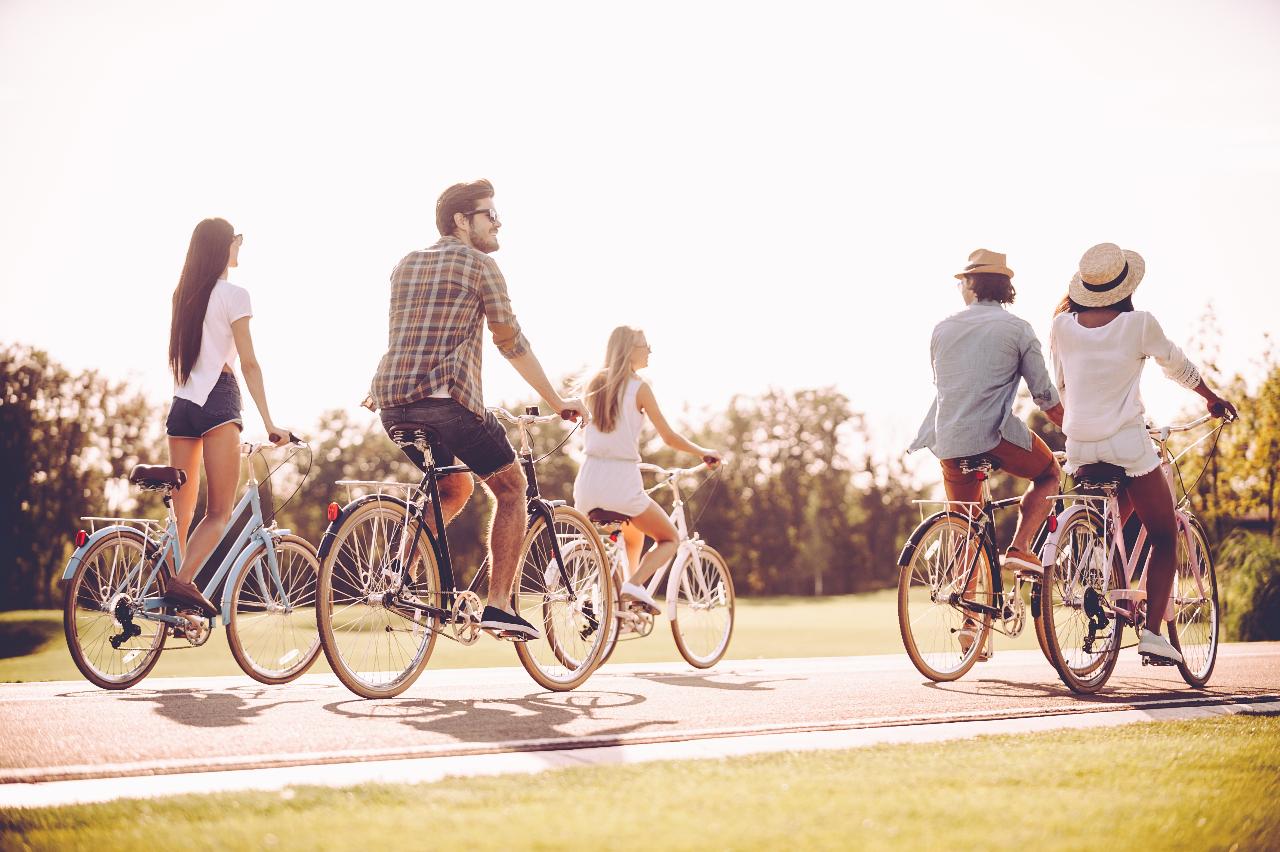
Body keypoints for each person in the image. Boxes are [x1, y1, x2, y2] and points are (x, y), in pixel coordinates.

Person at [369, 179, 587, 640]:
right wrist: (557, 401)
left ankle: (398, 571)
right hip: (447, 404)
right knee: (511, 488)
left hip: (392, 404)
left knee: (453, 487)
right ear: (461, 220)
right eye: (490, 213)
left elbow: (406, 336)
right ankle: (499, 606)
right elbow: (511, 343)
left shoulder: (404, 264)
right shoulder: (480, 265)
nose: (498, 221)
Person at [1049, 242, 1236, 664]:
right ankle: (1152, 633)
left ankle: (1100, 560)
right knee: (1165, 532)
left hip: (1078, 442)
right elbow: (1176, 364)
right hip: (1126, 441)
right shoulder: (1139, 324)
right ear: (1125, 285)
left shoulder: (1062, 326)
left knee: (1123, 500)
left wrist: (1083, 421)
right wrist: (1209, 397)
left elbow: (1062, 384)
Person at [910, 249, 1066, 658]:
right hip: (994, 436)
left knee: (966, 530)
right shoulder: (1017, 328)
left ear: (975, 284)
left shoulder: (942, 329)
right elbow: (1045, 396)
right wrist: (1078, 429)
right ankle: (1020, 548)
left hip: (948, 439)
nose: (960, 286)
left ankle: (970, 629)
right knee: (1050, 473)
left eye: (963, 279)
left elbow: (947, 384)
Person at [165, 218, 290, 615]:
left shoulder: (183, 295)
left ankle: (173, 609)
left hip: (181, 404)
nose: (240, 247)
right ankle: (182, 585)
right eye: (238, 241)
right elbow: (249, 363)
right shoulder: (234, 294)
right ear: (225, 246)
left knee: (180, 517)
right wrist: (270, 423)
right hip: (218, 400)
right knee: (217, 512)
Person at [573, 326, 721, 614]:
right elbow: (669, 437)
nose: (649, 350)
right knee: (670, 538)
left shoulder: (592, 384)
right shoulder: (638, 388)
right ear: (630, 349)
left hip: (588, 480)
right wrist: (704, 452)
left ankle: (621, 601)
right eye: (645, 345)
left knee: (633, 533)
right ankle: (634, 584)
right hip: (622, 481)